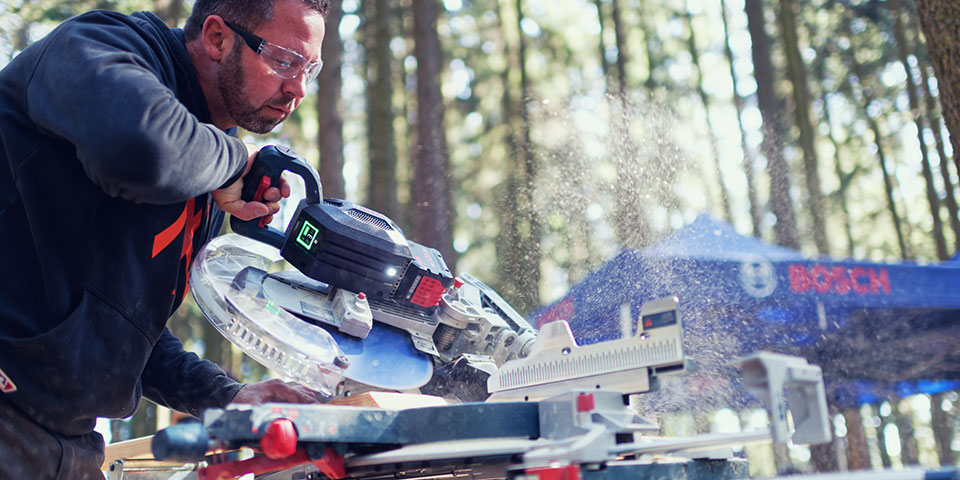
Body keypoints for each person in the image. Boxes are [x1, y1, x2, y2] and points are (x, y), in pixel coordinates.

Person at [0, 0, 329, 477]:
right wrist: (237, 160)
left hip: (66, 445)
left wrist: (229, 396)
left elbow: (128, 331)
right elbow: (140, 151)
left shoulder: (209, 167)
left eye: (310, 69)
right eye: (284, 60)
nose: (297, 87)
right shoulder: (99, 47)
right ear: (217, 37)